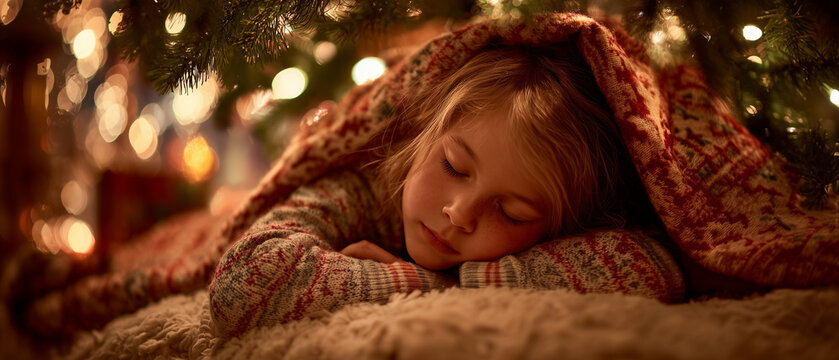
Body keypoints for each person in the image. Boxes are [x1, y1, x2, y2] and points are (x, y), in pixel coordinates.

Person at [208, 24, 684, 338]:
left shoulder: (570, 225)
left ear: (561, 227)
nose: (458, 213)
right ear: (424, 136)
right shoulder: (363, 187)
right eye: (453, 167)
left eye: (511, 212)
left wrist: (431, 284)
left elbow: (652, 266)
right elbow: (244, 285)